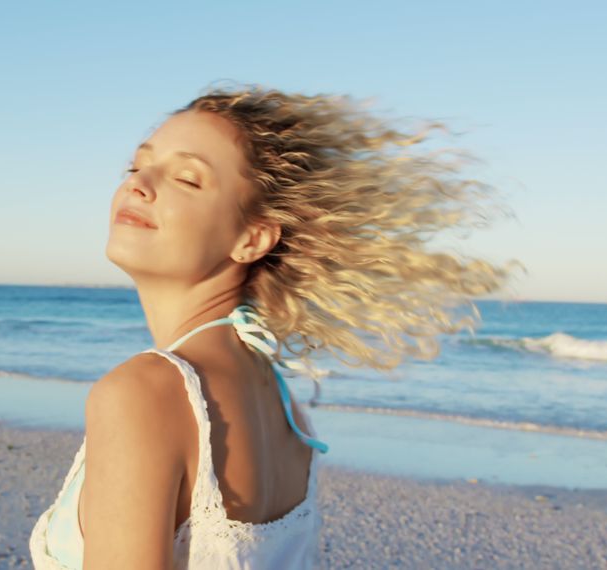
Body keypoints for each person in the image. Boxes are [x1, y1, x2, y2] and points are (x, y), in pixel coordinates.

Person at [29, 82, 521, 569]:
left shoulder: (143, 393)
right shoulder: (287, 413)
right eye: (138, 165)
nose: (138, 183)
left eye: (187, 179)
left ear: (252, 237)